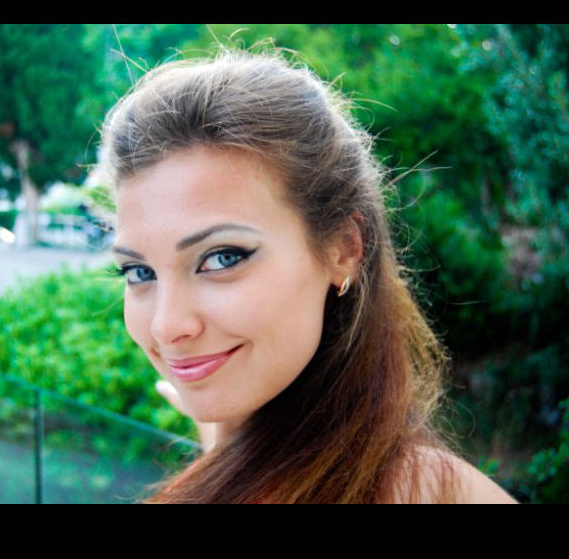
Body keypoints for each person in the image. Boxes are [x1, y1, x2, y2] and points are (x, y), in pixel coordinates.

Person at [100, 44, 517, 503]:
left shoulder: (427, 492)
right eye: (139, 271)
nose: (166, 326)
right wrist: (224, 439)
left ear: (344, 248)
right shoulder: (259, 457)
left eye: (222, 258)